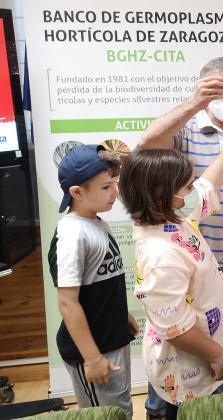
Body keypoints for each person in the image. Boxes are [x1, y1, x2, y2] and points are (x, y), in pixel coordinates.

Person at [138, 57, 223, 415]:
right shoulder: (162, 249)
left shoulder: (184, 219)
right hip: (183, 273)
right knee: (181, 349)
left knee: (221, 332)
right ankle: (163, 409)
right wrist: (195, 104)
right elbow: (147, 145)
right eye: (216, 89)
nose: (191, 185)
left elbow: (207, 187)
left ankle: (216, 402)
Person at [118, 122, 223, 419]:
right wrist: (216, 354)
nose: (193, 190)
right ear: (162, 196)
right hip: (188, 369)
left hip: (204, 354)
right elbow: (176, 330)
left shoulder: (169, 216)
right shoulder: (162, 257)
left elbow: (206, 187)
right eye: (186, 187)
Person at [48, 145, 136, 420]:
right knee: (105, 415)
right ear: (77, 192)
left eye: (115, 184)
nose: (115, 193)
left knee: (121, 410)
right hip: (94, 350)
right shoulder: (72, 235)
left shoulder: (96, 222)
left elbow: (102, 282)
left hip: (111, 338)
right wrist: (93, 358)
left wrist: (122, 316)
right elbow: (67, 301)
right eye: (106, 187)